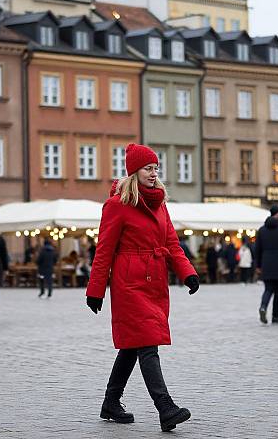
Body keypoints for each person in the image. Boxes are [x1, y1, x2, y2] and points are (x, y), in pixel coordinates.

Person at [85, 143, 199, 432]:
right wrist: (95, 289)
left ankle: (110, 403)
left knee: (132, 347)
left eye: (155, 168)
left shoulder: (160, 204)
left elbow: (172, 243)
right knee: (147, 344)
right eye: (148, 168)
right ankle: (166, 408)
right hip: (129, 284)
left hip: (155, 281)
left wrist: (187, 273)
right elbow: (104, 250)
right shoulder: (116, 205)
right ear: (134, 172)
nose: (153, 173)